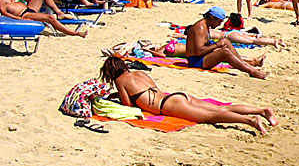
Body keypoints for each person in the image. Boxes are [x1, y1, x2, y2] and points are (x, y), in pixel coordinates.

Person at [100, 56, 276, 134]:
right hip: (177, 96)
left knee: (212, 116)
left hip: (166, 106)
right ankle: (261, 110)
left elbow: (128, 106)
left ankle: (250, 121)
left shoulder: (120, 81)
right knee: (220, 107)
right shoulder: (140, 74)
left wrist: (116, 96)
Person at [185, 6, 268, 79]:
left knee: (226, 42)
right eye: (219, 22)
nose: (219, 25)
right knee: (225, 52)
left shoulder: (205, 26)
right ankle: (251, 71)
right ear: (212, 17)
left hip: (202, 57)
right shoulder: (200, 28)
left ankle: (247, 65)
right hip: (196, 61)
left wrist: (218, 45)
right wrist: (217, 45)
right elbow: (199, 51)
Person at [0, 0, 87, 37]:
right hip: (24, 14)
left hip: (28, 8)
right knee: (50, 18)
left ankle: (59, 12)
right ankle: (75, 33)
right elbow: (4, 12)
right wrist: (19, 18)